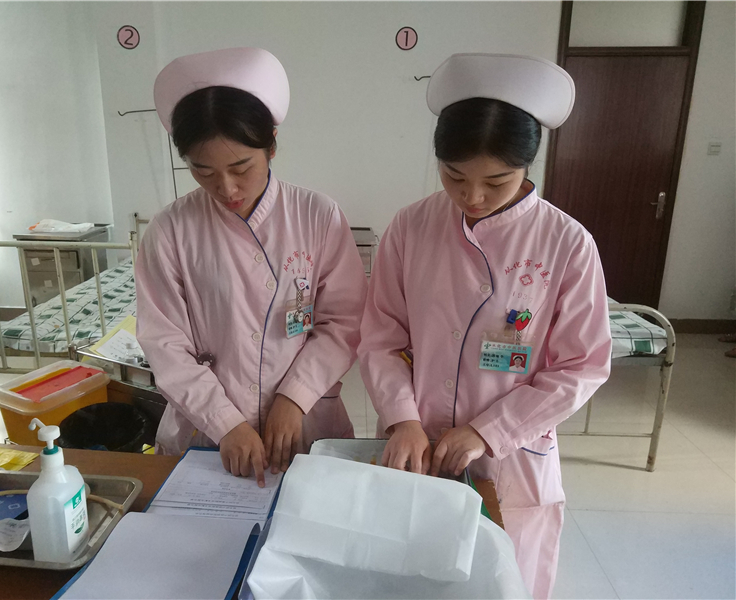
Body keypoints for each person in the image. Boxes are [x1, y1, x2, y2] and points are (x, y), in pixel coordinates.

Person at [358, 54, 612, 599]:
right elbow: (382, 338)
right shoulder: (411, 227)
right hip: (417, 445)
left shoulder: (566, 243)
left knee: (501, 582)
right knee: (411, 581)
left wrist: (488, 432)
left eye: (496, 182)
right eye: (454, 176)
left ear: (526, 166)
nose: (471, 198)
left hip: (511, 457)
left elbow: (582, 365)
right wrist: (402, 418)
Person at [136, 48, 367, 487]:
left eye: (241, 167)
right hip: (205, 430)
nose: (226, 188)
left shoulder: (317, 216)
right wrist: (225, 421)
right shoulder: (170, 230)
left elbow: (344, 322)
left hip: (305, 422)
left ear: (272, 144)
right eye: (203, 171)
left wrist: (294, 397)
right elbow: (164, 343)